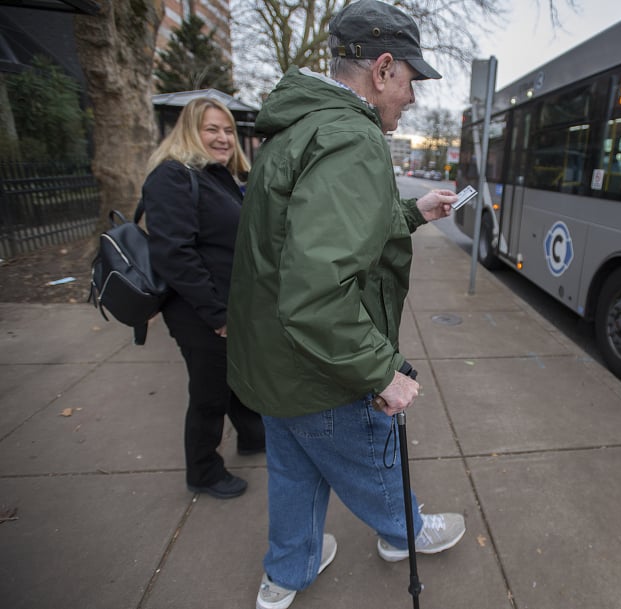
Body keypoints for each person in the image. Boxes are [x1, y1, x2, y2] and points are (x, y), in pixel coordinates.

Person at [226, 1, 465, 607]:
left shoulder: (299, 126)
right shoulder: (352, 138)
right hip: (324, 367)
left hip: (276, 365)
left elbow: (302, 241)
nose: (410, 97)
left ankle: (286, 575)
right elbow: (316, 292)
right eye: (411, 79)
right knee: (375, 461)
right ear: (383, 68)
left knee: (294, 477)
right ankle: (402, 534)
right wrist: (378, 371)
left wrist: (413, 211)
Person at [142, 97, 265, 500]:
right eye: (211, 129)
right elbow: (174, 253)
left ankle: (251, 435)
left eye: (228, 130)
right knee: (210, 392)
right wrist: (216, 314)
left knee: (235, 376)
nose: (223, 138)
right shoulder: (172, 177)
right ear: (190, 131)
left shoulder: (216, 176)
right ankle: (204, 471)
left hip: (227, 302)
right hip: (198, 309)